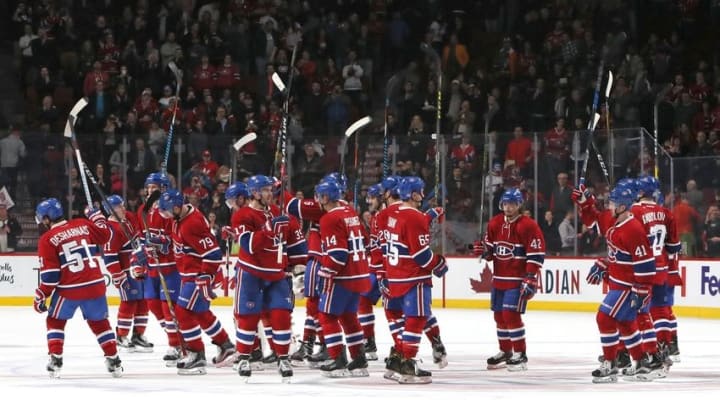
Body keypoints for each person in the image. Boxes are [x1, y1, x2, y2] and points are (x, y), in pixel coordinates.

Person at [34, 198, 122, 378]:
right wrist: (97, 217)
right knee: (99, 323)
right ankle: (114, 360)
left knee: (55, 321)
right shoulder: (83, 224)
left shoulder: (47, 239)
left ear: (46, 219)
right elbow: (106, 235)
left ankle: (56, 359)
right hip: (96, 285)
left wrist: (41, 294)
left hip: (70, 289)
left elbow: (51, 276)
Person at [231, 175, 306, 382]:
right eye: (264, 190)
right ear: (254, 193)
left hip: (276, 273)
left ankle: (283, 357)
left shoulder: (280, 214)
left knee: (281, 314)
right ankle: (245, 356)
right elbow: (247, 244)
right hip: (251, 273)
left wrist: (300, 266)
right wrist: (269, 228)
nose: (269, 194)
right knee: (248, 316)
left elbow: (297, 246)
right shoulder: (242, 215)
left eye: (270, 190)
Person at [156, 189, 236, 375]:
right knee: (200, 313)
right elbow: (181, 242)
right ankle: (226, 345)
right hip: (189, 274)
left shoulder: (191, 223)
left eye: (168, 210)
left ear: (177, 207)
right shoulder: (179, 218)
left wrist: (205, 276)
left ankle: (196, 354)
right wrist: (160, 242)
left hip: (197, 275)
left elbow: (213, 253)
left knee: (183, 313)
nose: (166, 215)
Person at [384, 176, 449, 384]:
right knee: (417, 318)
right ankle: (408, 363)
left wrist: (429, 215)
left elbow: (408, 233)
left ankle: (396, 359)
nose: (423, 194)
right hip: (414, 278)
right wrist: (439, 264)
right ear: (413, 194)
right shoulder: (415, 218)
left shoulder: (394, 213)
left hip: (395, 276)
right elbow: (421, 256)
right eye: (420, 191)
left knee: (405, 318)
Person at [474, 188, 545, 371]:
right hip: (498, 279)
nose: (508, 207)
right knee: (499, 316)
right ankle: (505, 351)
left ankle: (520, 354)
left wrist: (530, 276)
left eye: (512, 204)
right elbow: (491, 252)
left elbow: (535, 254)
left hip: (517, 280)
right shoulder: (495, 223)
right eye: (505, 204)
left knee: (510, 315)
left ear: (519, 205)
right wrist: (483, 252)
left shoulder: (528, 225)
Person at [284, 172, 348, 366]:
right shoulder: (344, 208)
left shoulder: (325, 208)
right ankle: (313, 343)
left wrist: (279, 188)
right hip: (322, 260)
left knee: (318, 306)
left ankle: (325, 344)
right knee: (315, 305)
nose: (318, 196)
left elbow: (291, 206)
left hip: (321, 260)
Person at [312, 180, 371, 377]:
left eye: (320, 196)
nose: (318, 200)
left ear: (325, 197)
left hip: (342, 276)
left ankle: (337, 359)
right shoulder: (350, 213)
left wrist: (324, 274)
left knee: (327, 316)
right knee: (348, 316)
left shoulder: (329, 219)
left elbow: (337, 254)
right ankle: (359, 358)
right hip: (360, 272)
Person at [633, 176, 682, 365]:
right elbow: (674, 246)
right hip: (662, 267)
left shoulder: (634, 212)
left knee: (637, 311)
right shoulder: (666, 212)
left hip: (642, 267)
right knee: (662, 309)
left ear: (641, 192)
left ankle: (633, 352)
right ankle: (666, 347)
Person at [135, 172, 183, 366]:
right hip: (152, 267)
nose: (149, 191)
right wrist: (139, 257)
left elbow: (176, 239)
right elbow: (140, 237)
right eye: (148, 188)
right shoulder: (142, 211)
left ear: (163, 190)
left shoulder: (169, 211)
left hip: (170, 266)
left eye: (153, 188)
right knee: (152, 303)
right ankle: (178, 335)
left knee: (167, 306)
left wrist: (160, 242)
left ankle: (175, 345)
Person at [102, 195, 153, 352]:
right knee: (129, 303)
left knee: (144, 302)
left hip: (140, 269)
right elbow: (109, 258)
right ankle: (122, 336)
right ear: (111, 210)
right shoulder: (111, 230)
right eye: (119, 207)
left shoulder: (126, 222)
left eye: (123, 205)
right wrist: (118, 275)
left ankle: (138, 335)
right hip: (126, 272)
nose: (123, 209)